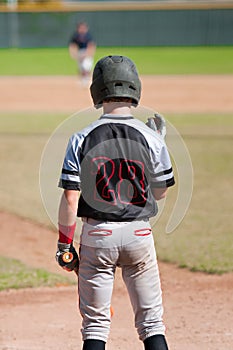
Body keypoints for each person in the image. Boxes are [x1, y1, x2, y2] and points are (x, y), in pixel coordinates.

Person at [56, 55, 175, 350]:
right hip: (139, 235)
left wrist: (64, 246)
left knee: (95, 326)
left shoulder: (80, 137)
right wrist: (158, 143)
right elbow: (160, 193)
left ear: (96, 91)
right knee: (152, 324)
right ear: (135, 88)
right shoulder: (151, 137)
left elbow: (71, 198)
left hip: (98, 235)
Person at [69, 21, 96, 86]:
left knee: (86, 67)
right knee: (81, 67)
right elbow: (72, 45)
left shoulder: (88, 36)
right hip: (80, 52)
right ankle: (83, 79)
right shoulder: (76, 35)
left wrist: (88, 54)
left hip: (87, 52)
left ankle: (87, 79)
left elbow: (91, 45)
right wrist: (73, 53)